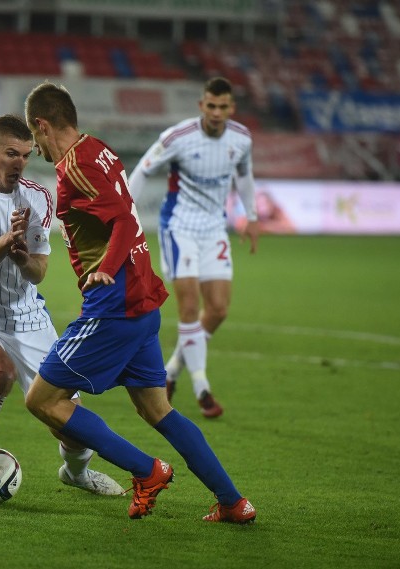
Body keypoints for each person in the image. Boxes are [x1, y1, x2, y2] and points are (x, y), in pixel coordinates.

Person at [22, 82, 256, 523]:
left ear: (43, 124)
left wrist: (107, 266)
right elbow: (126, 214)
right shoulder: (98, 150)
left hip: (114, 305)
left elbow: (126, 226)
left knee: (42, 400)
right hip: (142, 302)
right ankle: (233, 502)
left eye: (35, 138)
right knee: (156, 408)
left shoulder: (75, 166)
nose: (36, 148)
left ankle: (147, 471)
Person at [0, 115, 123, 513]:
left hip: (30, 319)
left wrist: (22, 256)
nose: (19, 162)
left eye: (25, 154)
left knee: (67, 417)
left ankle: (76, 472)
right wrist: (8, 239)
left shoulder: (39, 197)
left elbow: (39, 270)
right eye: (10, 153)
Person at [127, 77, 260, 418]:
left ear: (231, 108)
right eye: (211, 106)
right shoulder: (178, 137)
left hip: (214, 228)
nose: (216, 113)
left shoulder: (241, 139)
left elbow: (244, 176)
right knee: (189, 307)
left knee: (217, 310)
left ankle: (171, 371)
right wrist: (125, 216)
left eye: (223, 106)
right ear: (201, 106)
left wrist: (253, 215)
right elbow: (142, 171)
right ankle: (203, 388)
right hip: (179, 228)